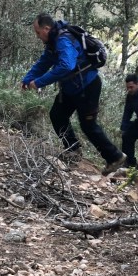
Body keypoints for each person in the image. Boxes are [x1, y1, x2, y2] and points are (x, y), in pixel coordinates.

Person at [21, 13, 126, 175]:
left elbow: (66, 65)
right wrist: (27, 79)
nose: (37, 36)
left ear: (46, 29)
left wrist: (39, 82)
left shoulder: (63, 40)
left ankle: (115, 157)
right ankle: (73, 150)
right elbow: (43, 63)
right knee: (57, 115)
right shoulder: (52, 43)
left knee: (88, 125)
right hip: (70, 88)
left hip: (88, 87)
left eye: (38, 32)